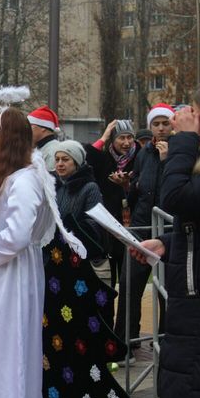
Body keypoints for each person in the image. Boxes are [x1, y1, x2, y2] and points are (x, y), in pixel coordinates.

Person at [0, 108, 85, 398]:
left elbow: (17, 238)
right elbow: (15, 230)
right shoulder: (21, 176)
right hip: (7, 270)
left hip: (8, 277)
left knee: (6, 351)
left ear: (6, 140)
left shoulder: (24, 180)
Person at [41, 141, 131, 398]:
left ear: (77, 162)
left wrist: (72, 227)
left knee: (81, 328)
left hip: (80, 268)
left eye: (65, 159)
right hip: (56, 270)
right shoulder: (53, 186)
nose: (60, 164)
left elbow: (96, 222)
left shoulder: (89, 187)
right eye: (57, 159)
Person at [130, 103, 200, 398]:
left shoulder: (185, 143)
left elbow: (175, 197)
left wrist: (185, 139)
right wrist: (166, 243)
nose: (181, 118)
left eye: (195, 112)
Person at [115, 103, 174, 355]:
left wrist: (166, 160)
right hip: (141, 226)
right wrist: (127, 185)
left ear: (173, 125)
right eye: (156, 124)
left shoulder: (180, 151)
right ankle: (125, 343)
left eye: (165, 123)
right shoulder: (143, 152)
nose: (160, 129)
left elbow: (176, 187)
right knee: (129, 286)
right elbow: (138, 188)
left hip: (168, 229)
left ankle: (167, 342)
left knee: (167, 290)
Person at [84, 119, 140, 326]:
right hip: (105, 229)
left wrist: (127, 185)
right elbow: (87, 157)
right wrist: (104, 136)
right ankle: (105, 327)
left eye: (129, 137)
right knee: (106, 283)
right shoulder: (103, 158)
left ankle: (126, 330)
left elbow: (143, 190)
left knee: (129, 285)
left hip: (130, 228)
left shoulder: (140, 157)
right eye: (121, 138)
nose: (126, 142)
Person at [27, 105, 60, 171]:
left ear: (43, 128)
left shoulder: (53, 150)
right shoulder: (42, 148)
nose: (27, 130)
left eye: (30, 126)